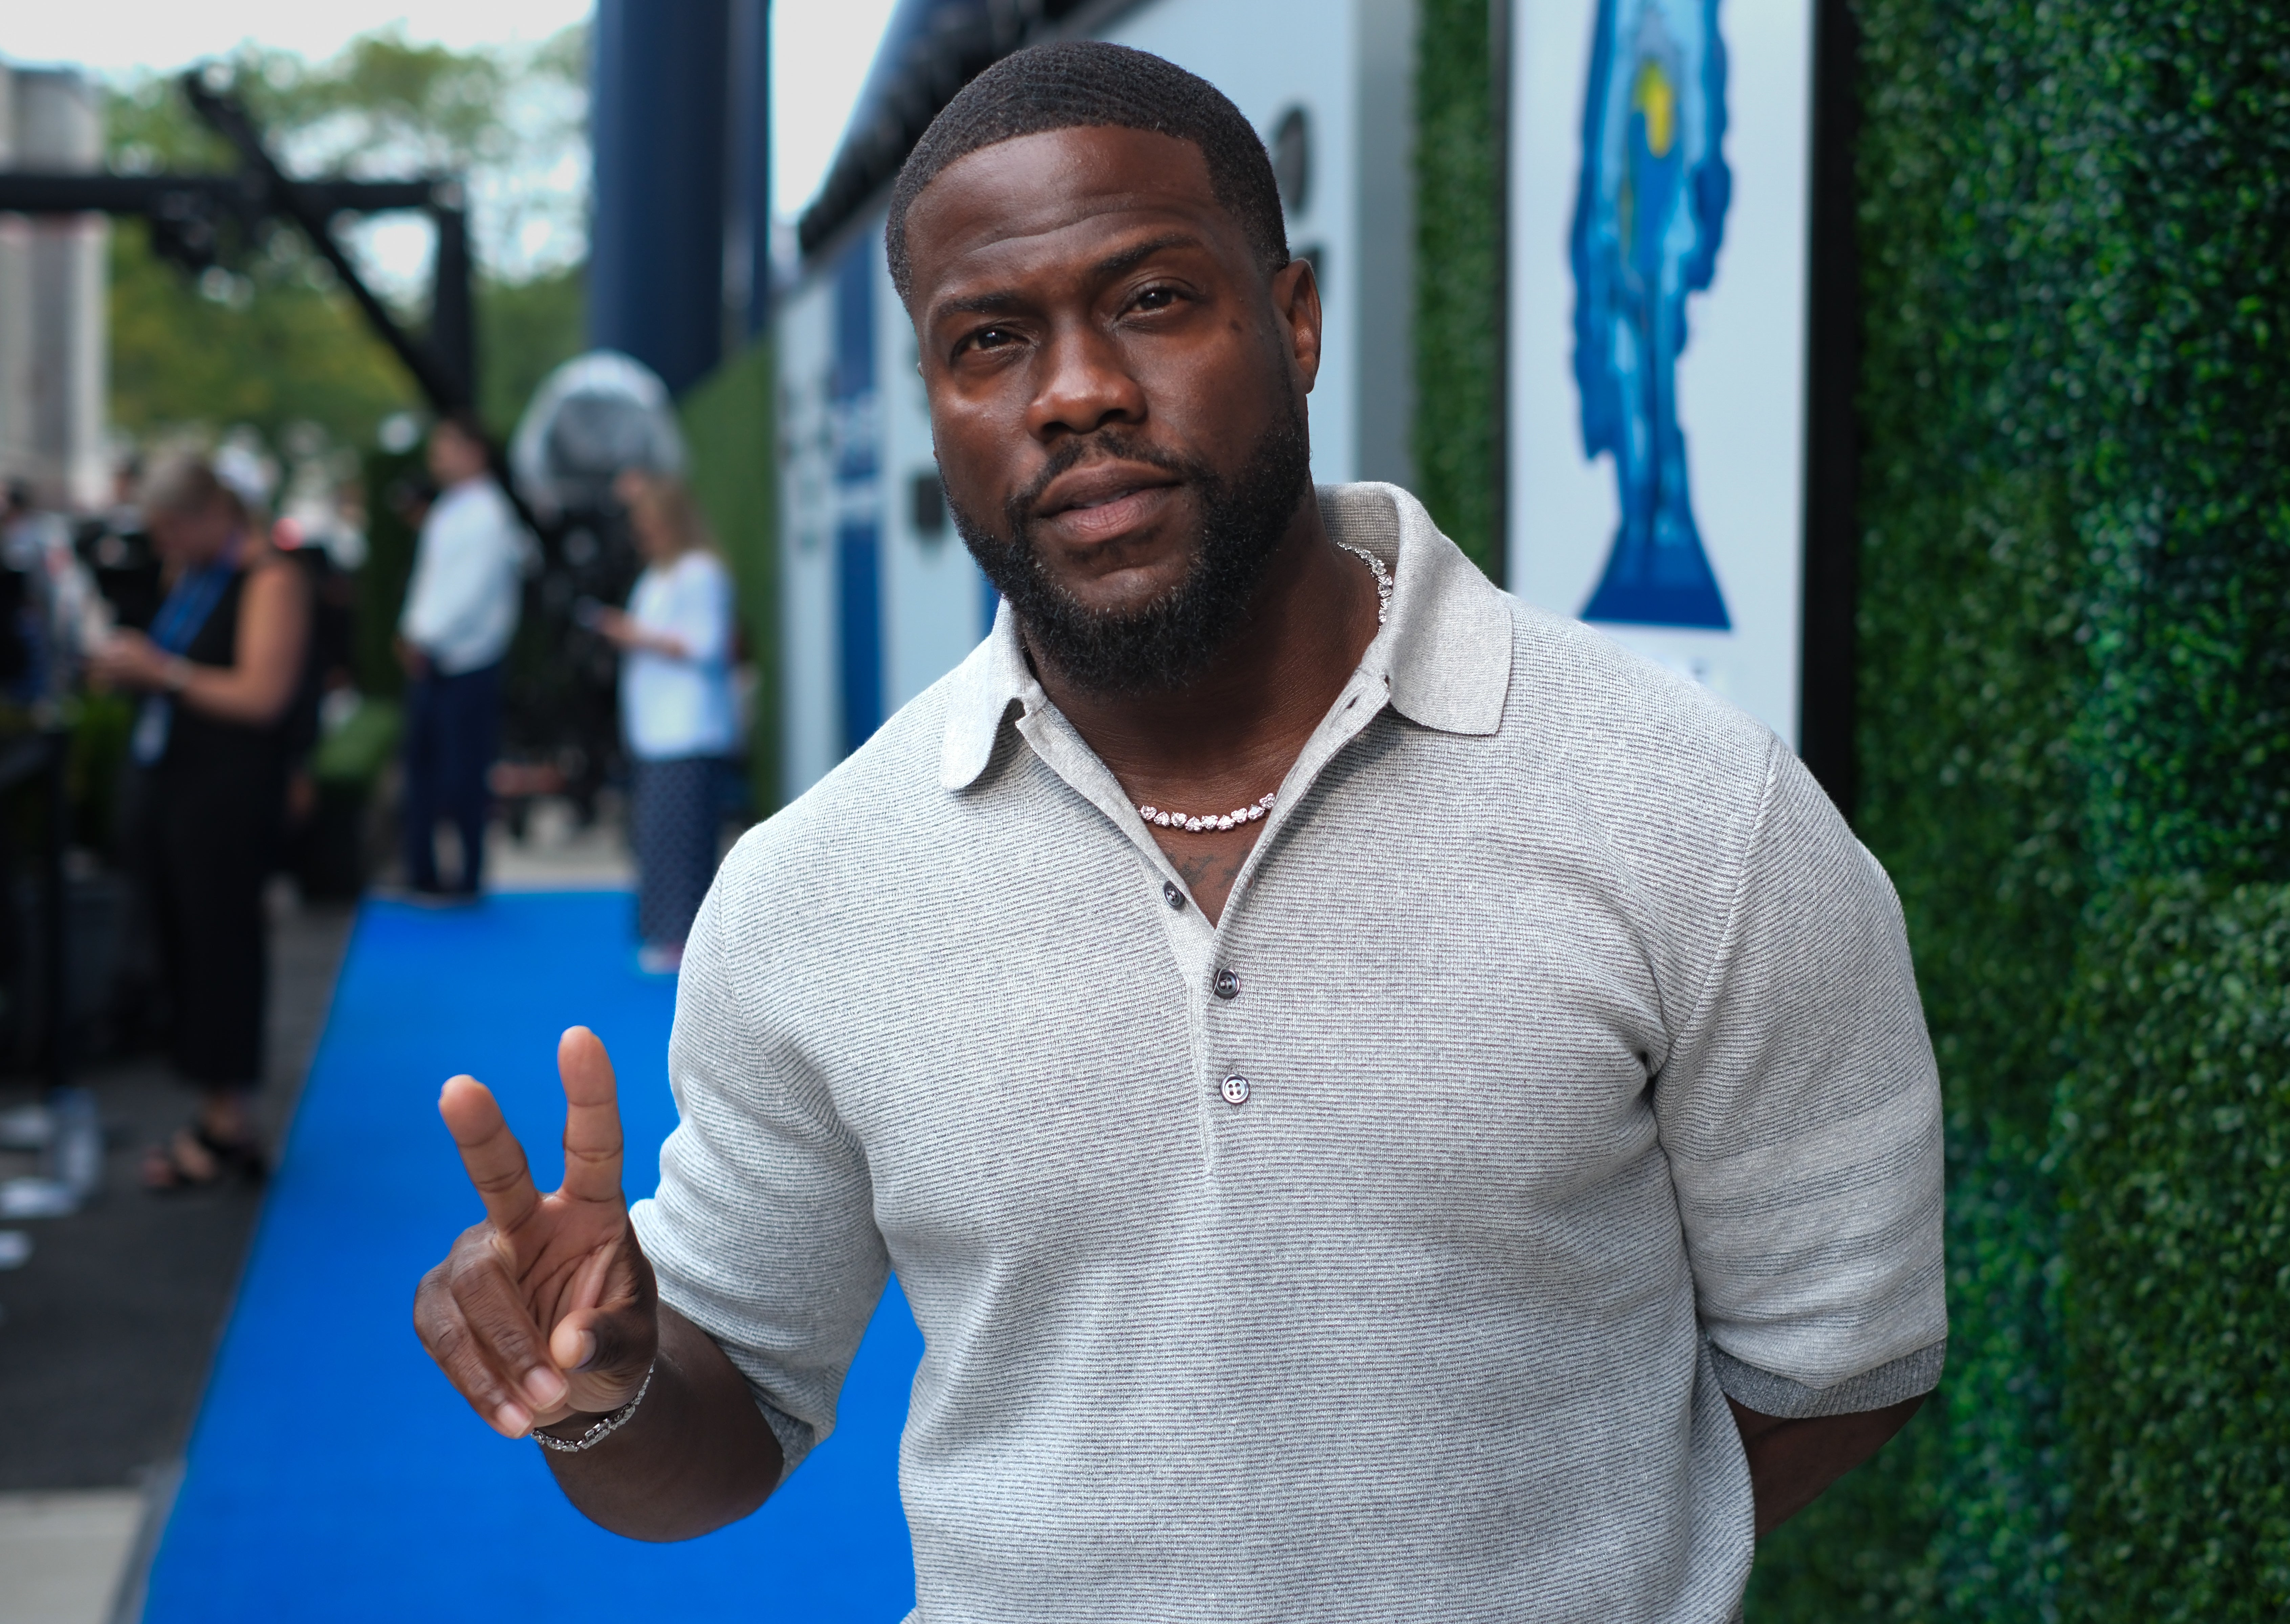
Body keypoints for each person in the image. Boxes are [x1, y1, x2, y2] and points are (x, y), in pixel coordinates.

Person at [414, 43, 1945, 1621]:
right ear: (938, 399)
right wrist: (596, 1382)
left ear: (1291, 318)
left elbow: (1841, 1355)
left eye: (1150, 300)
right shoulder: (811, 889)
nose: (1072, 390)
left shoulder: (1694, 807)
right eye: (989, 339)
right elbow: (722, 1431)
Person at [88, 453, 309, 1189]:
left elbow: (260, 696)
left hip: (227, 795)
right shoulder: (192, 573)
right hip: (175, 787)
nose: (164, 545)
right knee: (184, 948)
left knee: (221, 951)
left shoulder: (270, 577)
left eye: (172, 528)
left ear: (211, 514)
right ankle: (216, 1113)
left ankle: (229, 1125)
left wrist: (161, 673)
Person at [591, 470, 737, 975]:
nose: (643, 531)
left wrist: (633, 635)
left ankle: (682, 937)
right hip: (658, 732)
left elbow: (704, 646)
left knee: (681, 841)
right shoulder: (659, 575)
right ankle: (666, 931)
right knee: (658, 838)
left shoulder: (700, 573)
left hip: (688, 731)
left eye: (651, 521)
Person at [395, 413, 524, 898]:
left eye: (445, 448)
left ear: (474, 452)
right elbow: (430, 584)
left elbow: (468, 593)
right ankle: (423, 870)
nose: (436, 458)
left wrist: (421, 634)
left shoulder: (488, 514)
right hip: (436, 657)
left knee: (463, 773)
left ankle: (467, 875)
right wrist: (414, 633)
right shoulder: (451, 510)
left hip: (467, 661)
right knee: (424, 770)